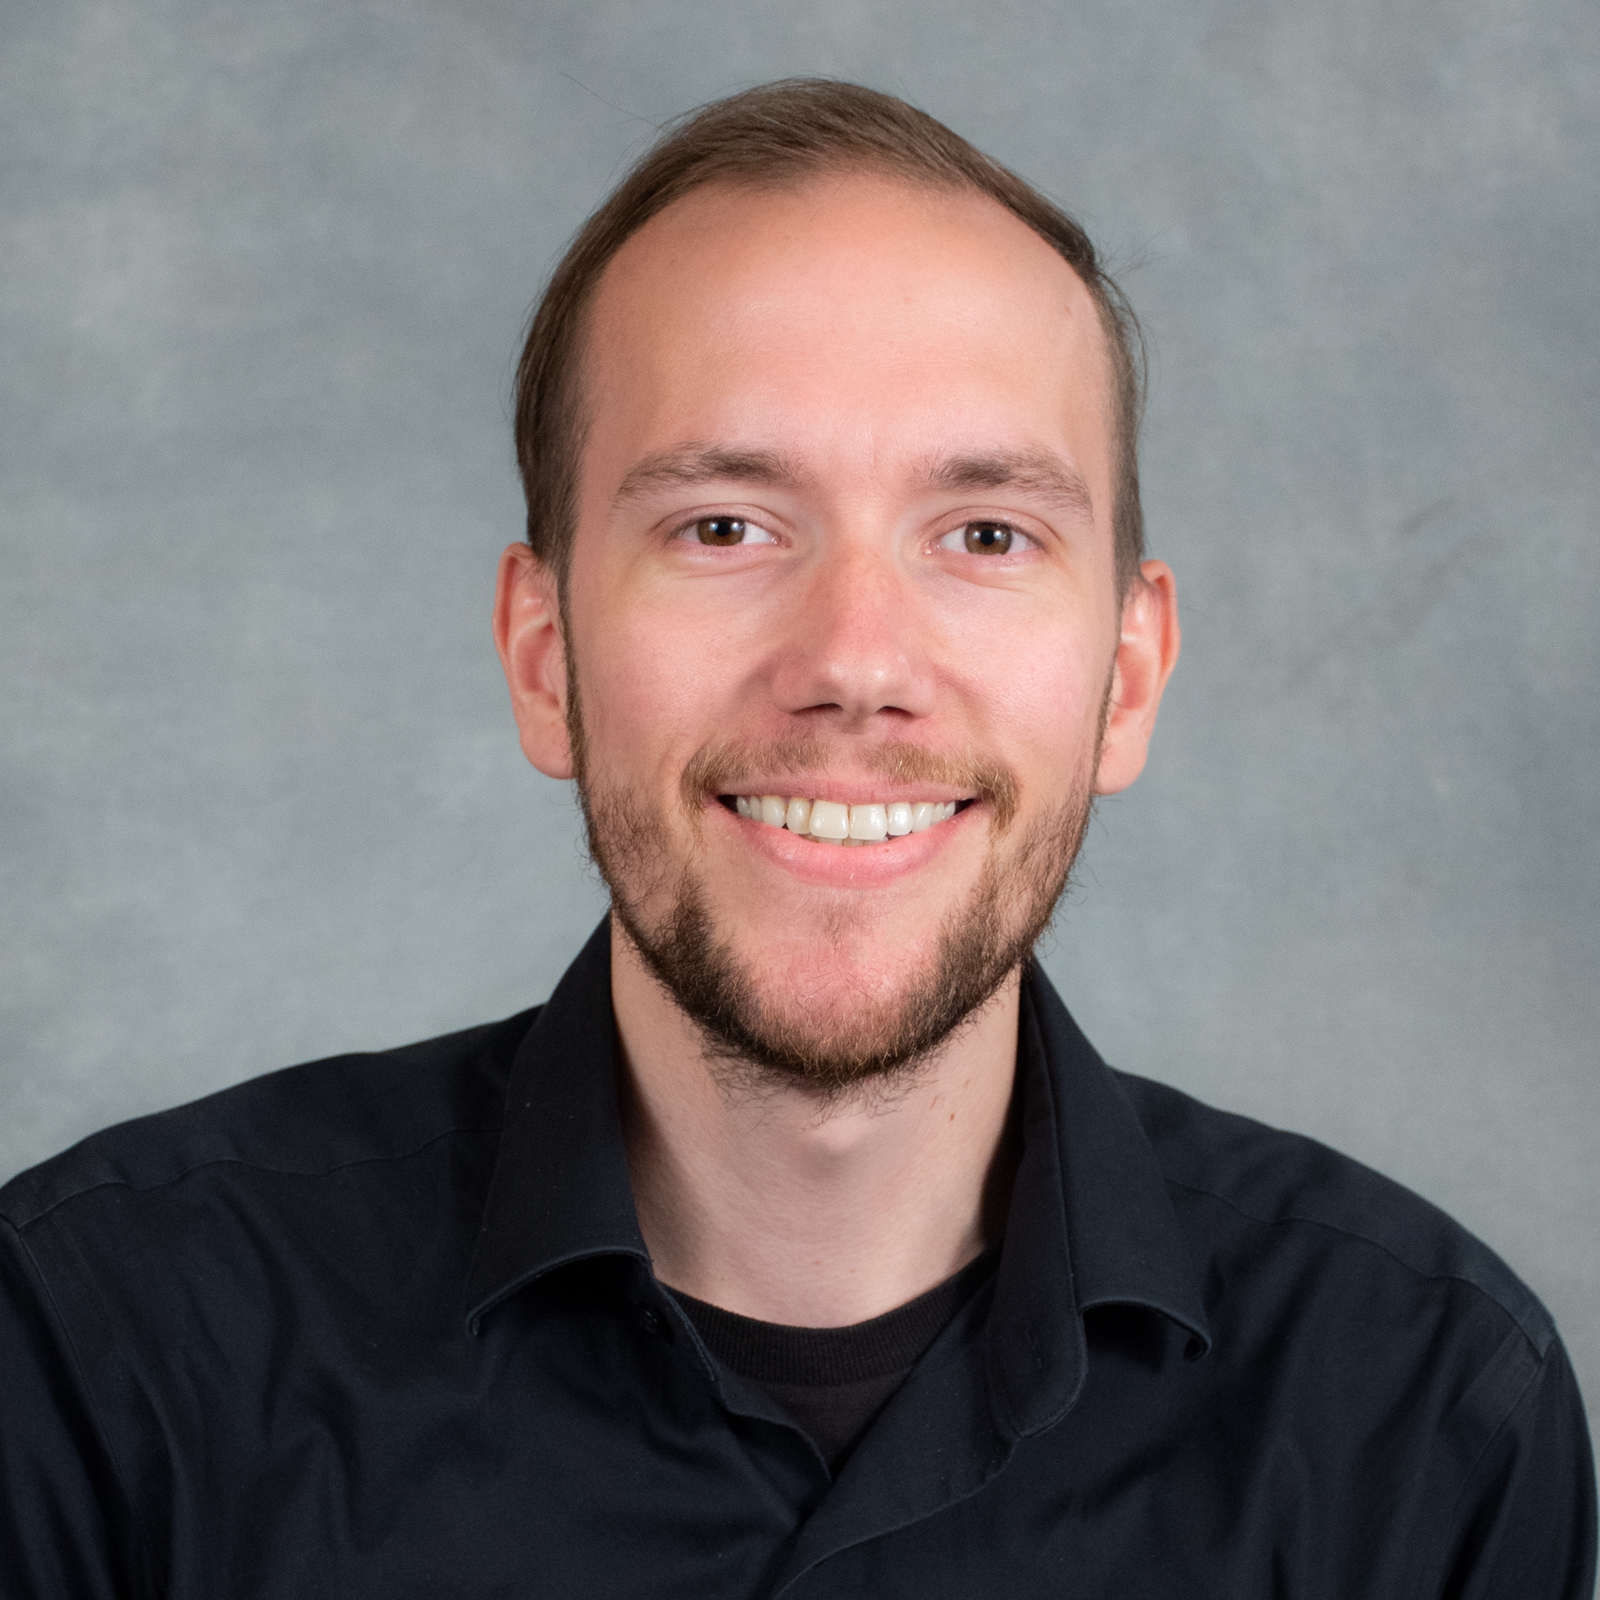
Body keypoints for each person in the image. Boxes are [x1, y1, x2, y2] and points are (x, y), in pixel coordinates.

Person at [1, 79, 1592, 1598]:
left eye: (984, 535)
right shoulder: (102, 1361)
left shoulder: (1422, 1419)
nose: (853, 659)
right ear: (545, 656)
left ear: (1126, 676)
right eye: (725, 527)